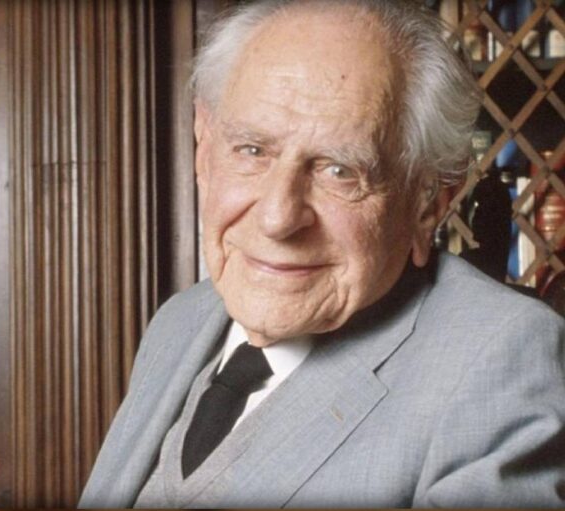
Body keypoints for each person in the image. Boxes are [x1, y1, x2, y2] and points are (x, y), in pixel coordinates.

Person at [79, 0, 565, 507]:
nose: (278, 218)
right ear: (204, 150)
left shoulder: (502, 361)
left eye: (340, 170)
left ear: (429, 203)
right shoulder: (180, 322)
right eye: (252, 150)